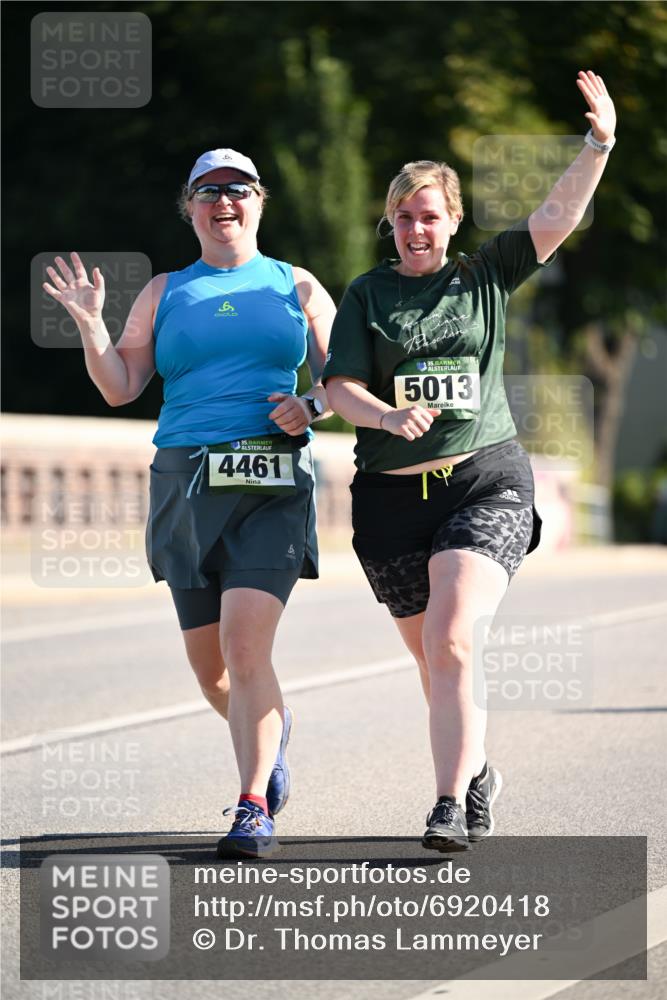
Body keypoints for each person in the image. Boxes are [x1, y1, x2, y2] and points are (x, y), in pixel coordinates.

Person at [323, 71, 616, 851]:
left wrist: (598, 143)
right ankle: (476, 767)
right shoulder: (367, 295)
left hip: (482, 479)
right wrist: (384, 412)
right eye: (402, 218)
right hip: (388, 502)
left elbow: (556, 215)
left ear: (452, 220)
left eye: (429, 215)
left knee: (453, 639)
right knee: (433, 661)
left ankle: (447, 803)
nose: (416, 229)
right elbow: (339, 385)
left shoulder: (483, 276)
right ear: (389, 225)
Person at [43, 147, 335, 858]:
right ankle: (271, 735)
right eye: (208, 191)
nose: (223, 201)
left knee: (244, 643)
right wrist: (90, 325)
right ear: (191, 208)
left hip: (269, 484)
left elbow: (344, 381)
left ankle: (251, 806)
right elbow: (120, 386)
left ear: (259, 202)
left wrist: (309, 404)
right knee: (213, 673)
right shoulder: (165, 290)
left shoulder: (296, 287)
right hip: (184, 484)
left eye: (237, 189)